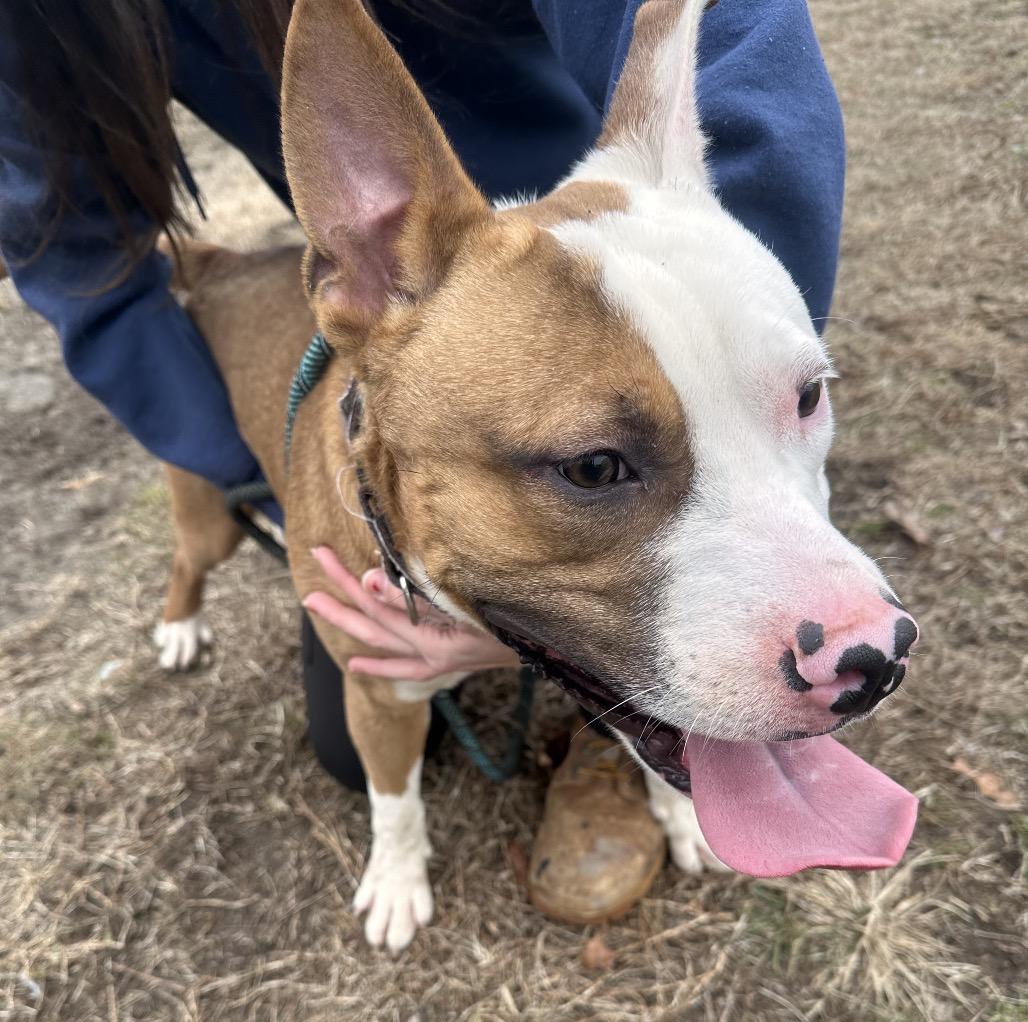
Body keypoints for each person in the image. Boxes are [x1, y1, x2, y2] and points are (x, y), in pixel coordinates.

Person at [0, 0, 845, 922]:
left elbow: (739, 51)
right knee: (329, 705)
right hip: (430, 302)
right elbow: (83, 264)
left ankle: (637, 741)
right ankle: (207, 613)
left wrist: (735, 330)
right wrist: (250, 469)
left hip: (620, 214)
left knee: (662, 588)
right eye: (599, 469)